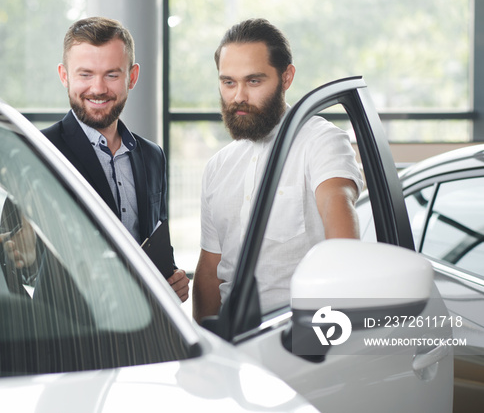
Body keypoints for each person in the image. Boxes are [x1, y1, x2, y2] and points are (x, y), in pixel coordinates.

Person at [192, 18, 363, 322]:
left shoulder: (322, 142)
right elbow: (210, 271)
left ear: (286, 78)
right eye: (228, 82)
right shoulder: (218, 166)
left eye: (254, 81)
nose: (238, 96)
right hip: (235, 343)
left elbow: (343, 247)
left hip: (302, 336)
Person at [41, 16, 190, 302]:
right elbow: (16, 258)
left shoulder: (152, 156)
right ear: (64, 76)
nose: (98, 88)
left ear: (131, 77)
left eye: (111, 75)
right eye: (85, 74)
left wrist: (173, 280)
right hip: (67, 333)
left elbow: (157, 246)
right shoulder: (40, 149)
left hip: (145, 329)